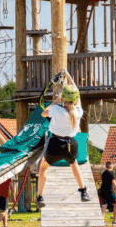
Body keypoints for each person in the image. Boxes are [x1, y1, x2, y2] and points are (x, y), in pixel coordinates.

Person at [36, 70, 90, 208]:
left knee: (42, 168)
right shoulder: (78, 111)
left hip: (55, 143)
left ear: (63, 99)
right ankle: (83, 191)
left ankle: (40, 197)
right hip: (71, 144)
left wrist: (56, 100)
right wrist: (69, 75)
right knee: (74, 165)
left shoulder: (56, 109)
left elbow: (43, 113)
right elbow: (76, 92)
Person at [98, 162, 116, 226]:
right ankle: (115, 221)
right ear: (111, 166)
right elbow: (114, 182)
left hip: (103, 192)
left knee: (104, 206)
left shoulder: (103, 173)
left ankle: (101, 222)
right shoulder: (112, 173)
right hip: (110, 192)